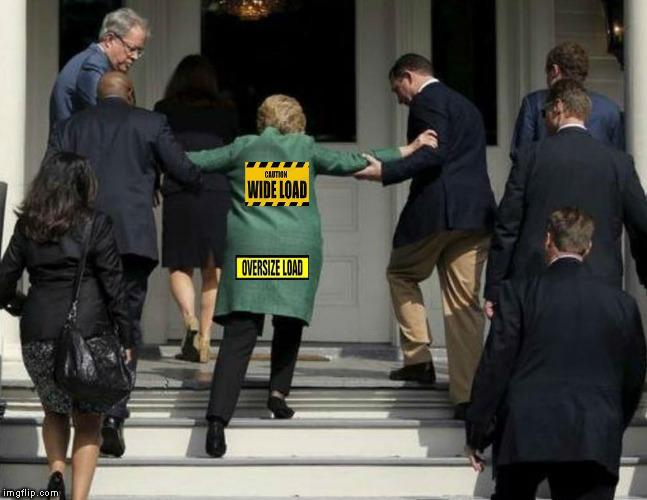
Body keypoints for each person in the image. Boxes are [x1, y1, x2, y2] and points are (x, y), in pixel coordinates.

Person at [187, 94, 437, 458]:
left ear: (263, 119)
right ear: (296, 121)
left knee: (240, 333)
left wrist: (146, 151)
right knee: (288, 321)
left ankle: (216, 422)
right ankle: (278, 394)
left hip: (252, 251)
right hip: (294, 250)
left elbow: (194, 161)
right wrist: (410, 148)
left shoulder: (243, 147)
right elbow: (356, 161)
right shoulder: (305, 149)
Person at [45, 72, 203, 458]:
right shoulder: (151, 123)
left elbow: (50, 179)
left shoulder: (70, 127)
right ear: (130, 94)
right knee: (125, 324)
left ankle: (83, 406)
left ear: (97, 96)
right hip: (132, 240)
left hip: (79, 239)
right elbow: (184, 170)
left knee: (78, 321)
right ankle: (114, 415)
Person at [465, 208, 646, 500]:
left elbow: (495, 365)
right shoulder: (622, 303)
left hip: (525, 429)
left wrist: (477, 431)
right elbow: (634, 375)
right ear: (588, 246)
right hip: (594, 430)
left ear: (548, 240)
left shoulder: (517, 293)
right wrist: (612, 422)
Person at [354, 53, 496, 420]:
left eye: (396, 89)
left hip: (438, 212)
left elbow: (434, 154)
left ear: (408, 76)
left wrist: (386, 171)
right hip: (475, 215)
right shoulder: (466, 106)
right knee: (463, 304)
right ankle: (466, 397)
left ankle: (418, 359)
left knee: (401, 273)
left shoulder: (426, 101)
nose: (399, 99)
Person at [0, 152, 134, 500]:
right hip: (87, 334)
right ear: (83, 184)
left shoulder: (27, 225)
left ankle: (57, 473)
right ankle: (78, 497)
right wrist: (127, 334)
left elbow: (4, 280)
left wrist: (20, 305)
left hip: (38, 335)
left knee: (54, 409)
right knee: (88, 420)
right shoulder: (96, 223)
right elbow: (114, 284)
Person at [484, 78, 647, 316]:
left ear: (558, 107)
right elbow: (641, 224)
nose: (544, 119)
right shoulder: (618, 163)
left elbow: (507, 225)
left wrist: (495, 287)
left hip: (535, 284)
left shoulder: (530, 157)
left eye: (544, 113)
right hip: (600, 283)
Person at [154, 55, 239, 363]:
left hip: (180, 191)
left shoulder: (165, 109)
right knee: (213, 268)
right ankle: (204, 339)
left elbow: (157, 149)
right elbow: (235, 152)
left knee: (180, 265)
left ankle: (188, 319)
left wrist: (153, 182)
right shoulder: (226, 112)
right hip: (217, 192)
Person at [511, 40, 624, 155]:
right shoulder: (610, 110)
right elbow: (618, 157)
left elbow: (521, 155)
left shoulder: (535, 104)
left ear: (555, 70)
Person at [49, 7, 149, 127]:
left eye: (139, 51)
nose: (135, 56)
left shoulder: (94, 61)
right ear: (109, 39)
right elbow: (104, 115)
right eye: (131, 49)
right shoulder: (93, 65)